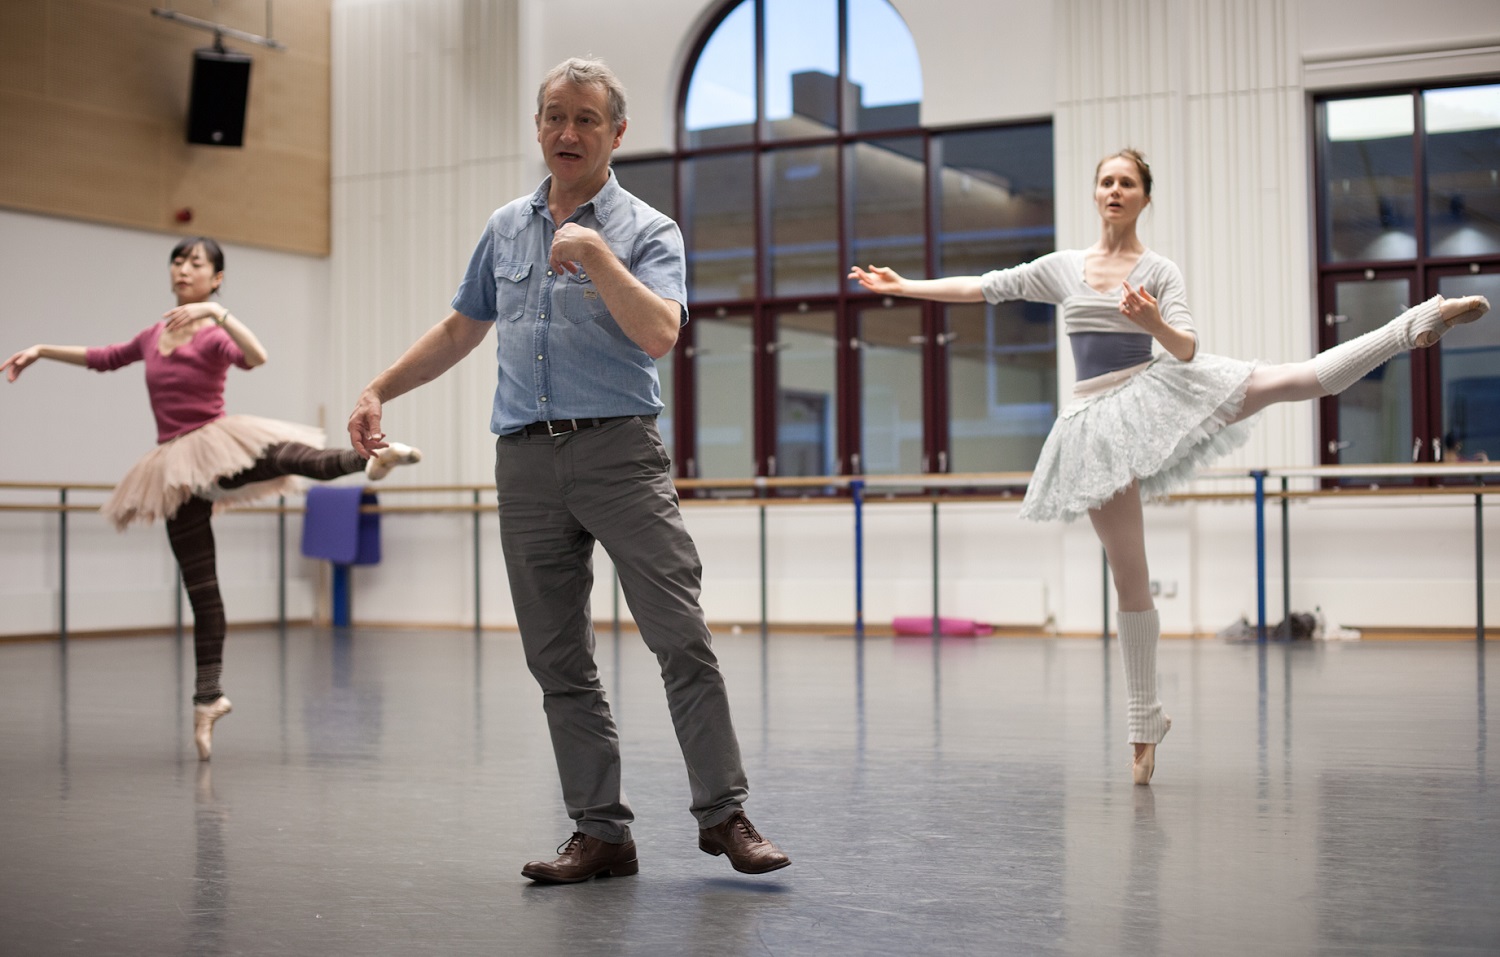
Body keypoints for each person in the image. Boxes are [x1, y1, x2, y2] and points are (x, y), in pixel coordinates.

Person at [850, 148, 1489, 786]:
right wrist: (904, 286)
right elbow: (987, 286)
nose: (1115, 190)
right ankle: (1145, 719)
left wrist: (1153, 319)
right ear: (1094, 193)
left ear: (1144, 198)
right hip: (1096, 422)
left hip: (1158, 390)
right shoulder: (1064, 268)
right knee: (1132, 577)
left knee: (1292, 379)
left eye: (1127, 182)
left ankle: (1415, 322)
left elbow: (1186, 348)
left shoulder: (1159, 269)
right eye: (1106, 181)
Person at [346, 57, 789, 883]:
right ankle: (600, 831)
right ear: (538, 125)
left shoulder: (649, 231)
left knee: (680, 637)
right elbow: (460, 327)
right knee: (558, 660)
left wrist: (594, 253)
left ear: (617, 132)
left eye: (586, 118)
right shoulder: (506, 226)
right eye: (554, 115)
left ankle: (724, 814)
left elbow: (659, 332)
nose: (567, 132)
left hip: (619, 453)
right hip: (524, 459)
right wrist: (380, 386)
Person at [3, 237, 422, 760]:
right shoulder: (155, 333)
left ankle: (371, 459)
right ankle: (208, 699)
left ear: (215, 278)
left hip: (216, 444)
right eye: (178, 261)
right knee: (202, 589)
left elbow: (257, 355)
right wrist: (42, 349)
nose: (183, 269)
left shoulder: (213, 334)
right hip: (172, 466)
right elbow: (104, 358)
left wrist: (217, 315)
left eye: (196, 263)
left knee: (285, 454)